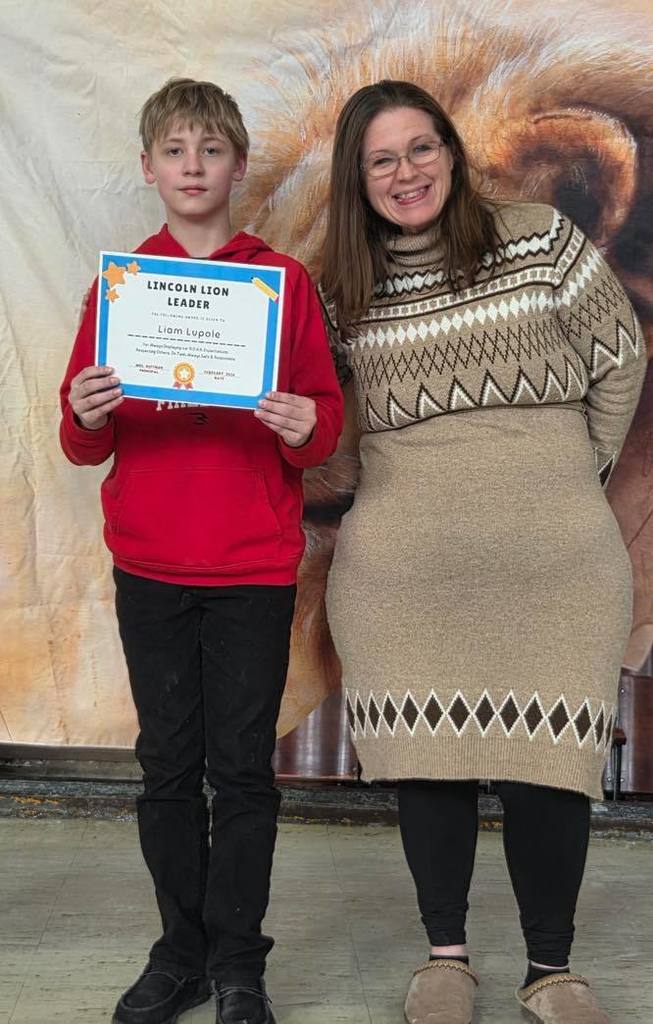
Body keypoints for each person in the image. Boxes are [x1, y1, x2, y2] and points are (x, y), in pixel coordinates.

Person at [320, 79, 646, 1024]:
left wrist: (567, 472)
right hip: (400, 572)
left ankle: (550, 970)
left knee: (551, 762)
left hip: (556, 562)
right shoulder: (340, 291)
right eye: (381, 160)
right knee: (428, 763)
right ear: (357, 179)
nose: (405, 172)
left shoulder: (537, 238)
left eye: (420, 148)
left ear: (451, 153)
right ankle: (446, 961)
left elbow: (618, 357)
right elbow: (330, 439)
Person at [59, 77, 343, 1024]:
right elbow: (82, 442)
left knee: (243, 773)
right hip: (150, 564)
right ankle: (180, 955)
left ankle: (239, 966)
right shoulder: (121, 289)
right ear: (148, 168)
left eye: (210, 150)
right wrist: (83, 413)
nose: (192, 166)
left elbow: (322, 425)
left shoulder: (282, 285)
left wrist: (304, 425)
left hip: (252, 567)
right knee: (168, 771)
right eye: (175, 151)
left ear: (236, 167)